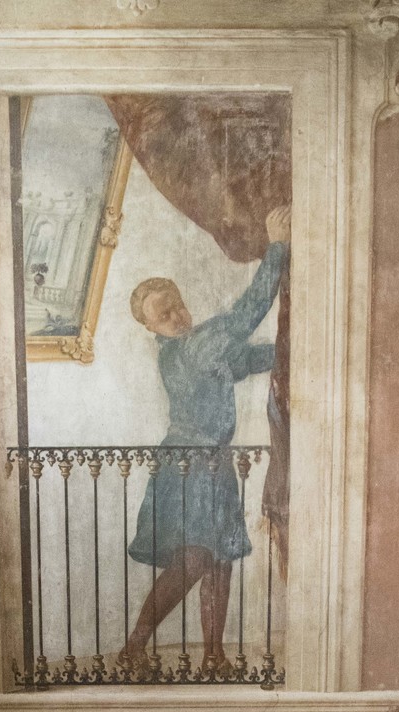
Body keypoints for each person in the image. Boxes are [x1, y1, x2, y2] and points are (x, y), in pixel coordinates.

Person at [121, 206, 291, 673]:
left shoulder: (194, 349)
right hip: (189, 467)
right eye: (163, 315)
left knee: (219, 560)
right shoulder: (191, 348)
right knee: (195, 559)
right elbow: (243, 316)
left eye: (176, 305)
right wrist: (277, 246)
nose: (176, 316)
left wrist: (296, 349)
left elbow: (247, 360)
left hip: (211, 463)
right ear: (151, 327)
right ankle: (134, 648)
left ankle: (213, 656)